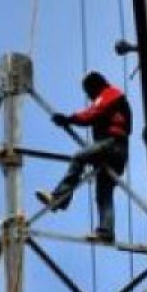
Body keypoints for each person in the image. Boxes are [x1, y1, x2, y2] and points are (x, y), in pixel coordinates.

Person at [36, 71, 131, 244]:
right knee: (104, 194)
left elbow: (93, 113)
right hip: (117, 152)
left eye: (88, 91)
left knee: (79, 158)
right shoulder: (114, 98)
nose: (88, 96)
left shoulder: (109, 93)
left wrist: (69, 119)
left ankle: (60, 198)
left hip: (112, 144)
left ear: (95, 86)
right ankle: (106, 233)